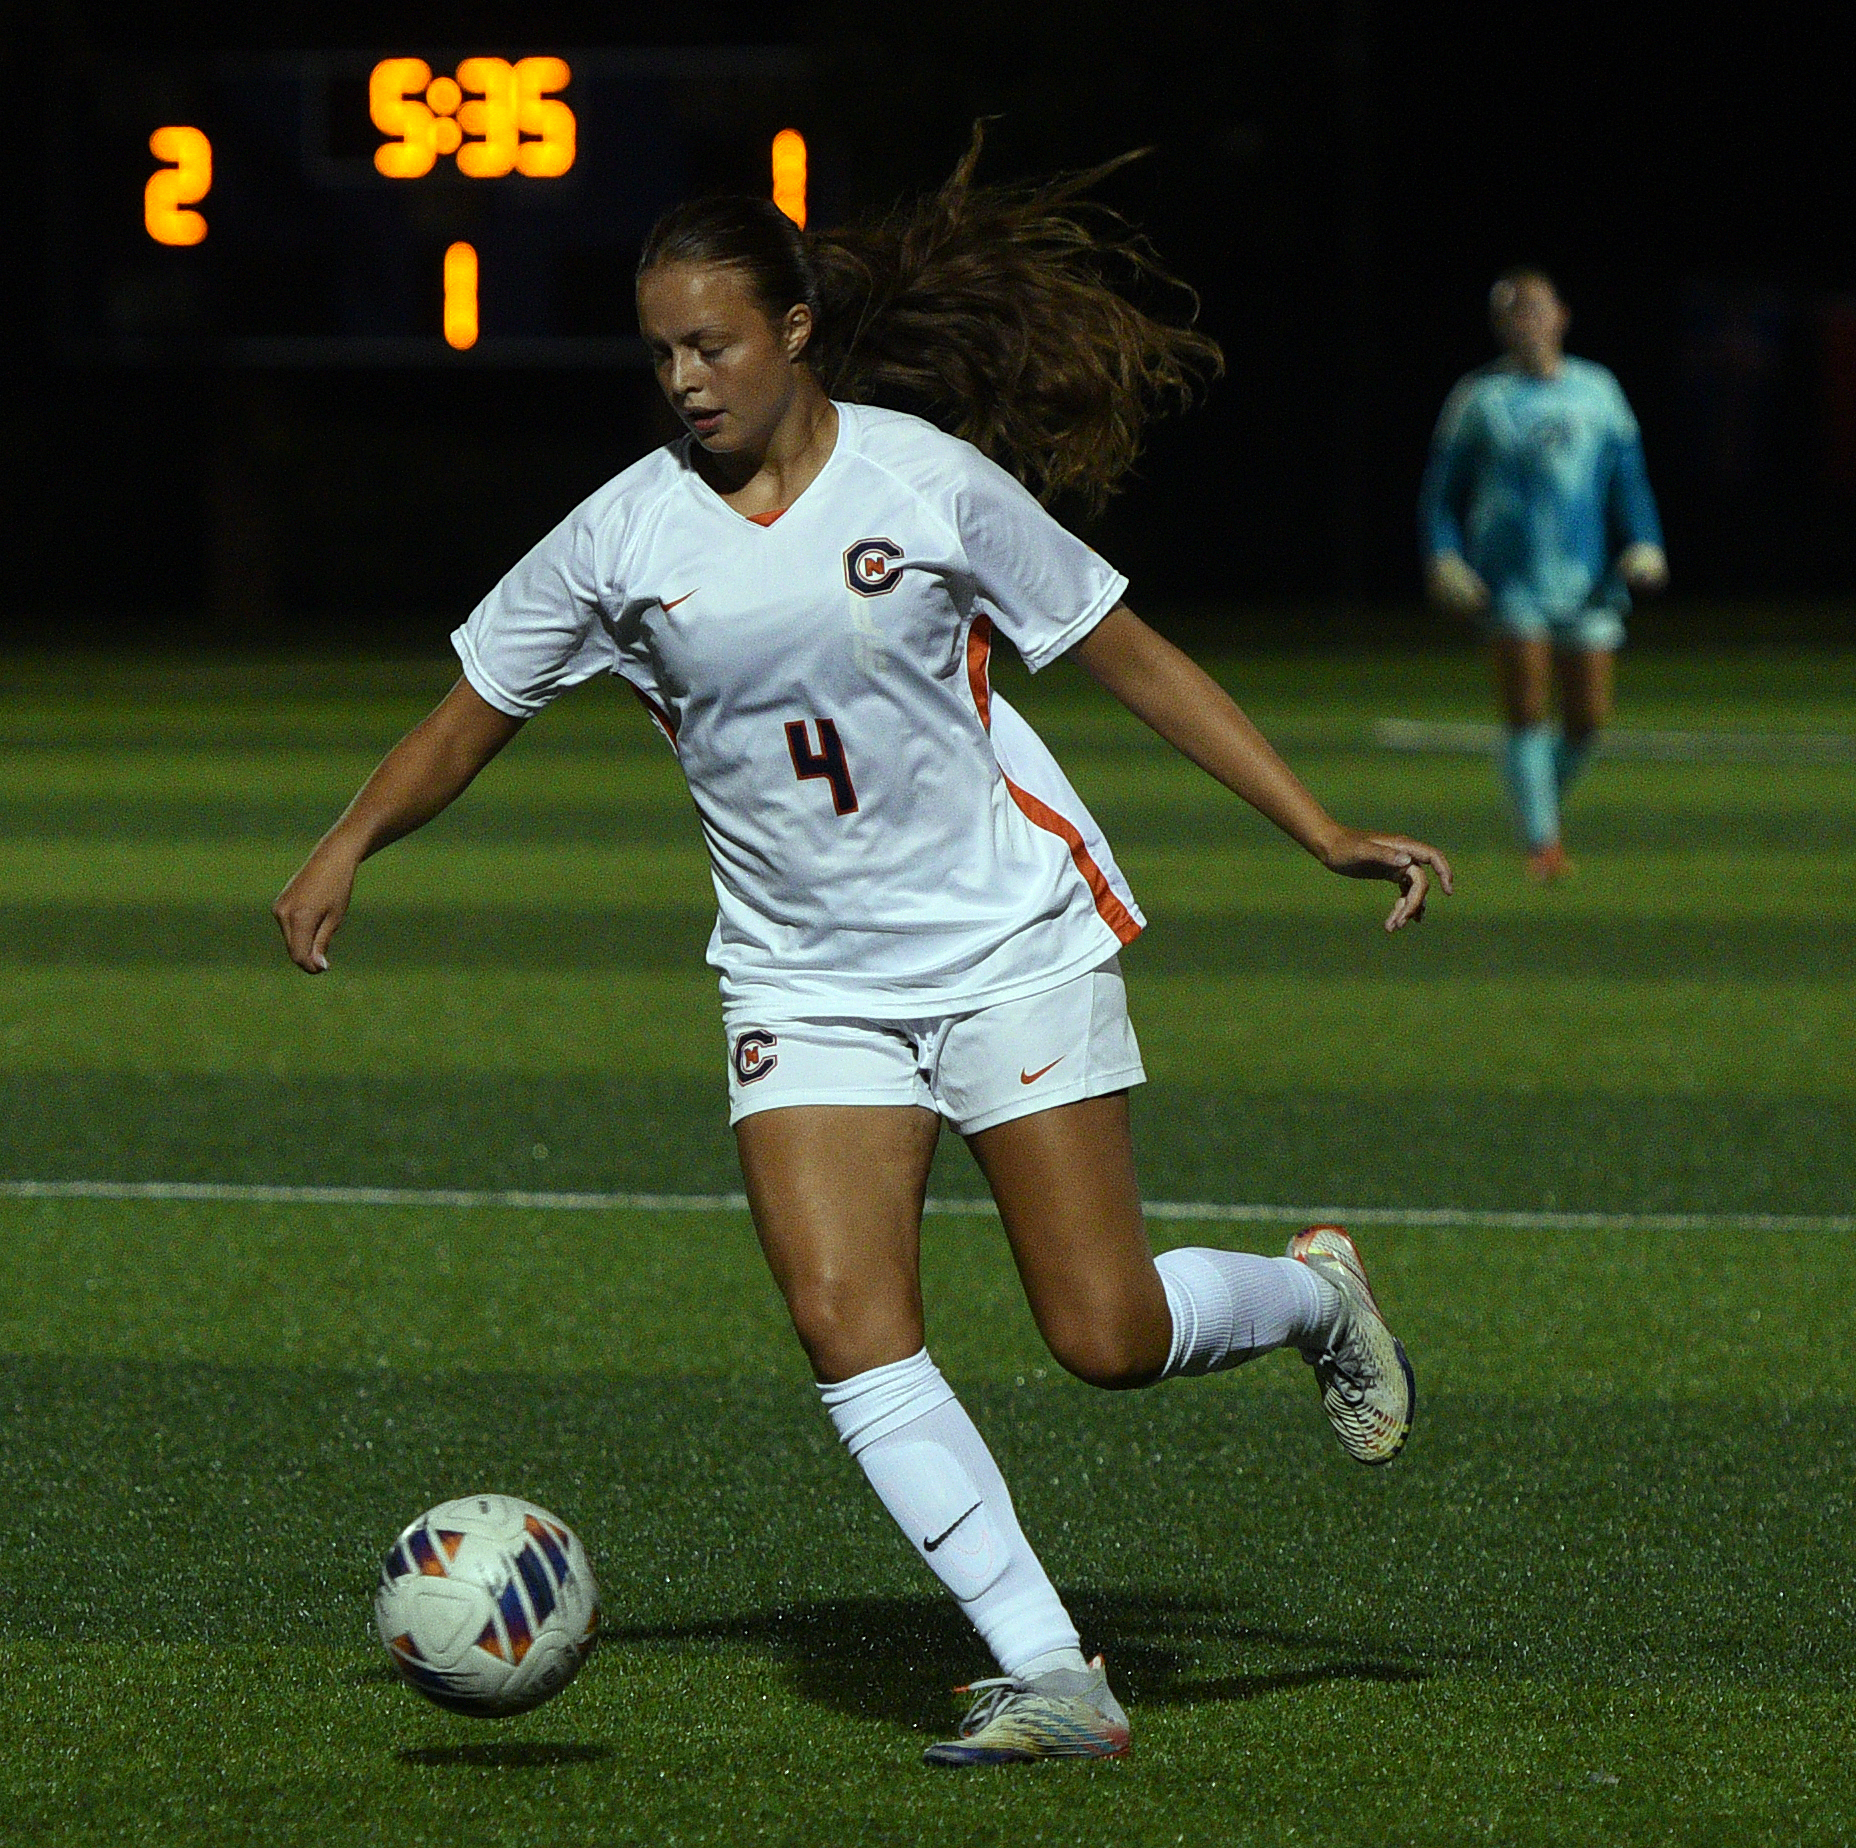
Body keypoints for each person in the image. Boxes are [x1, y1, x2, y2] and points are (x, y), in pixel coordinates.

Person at [274, 134, 1452, 1767]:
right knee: (845, 1314)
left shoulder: (926, 482)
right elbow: (469, 714)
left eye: (714, 344)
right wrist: (347, 840)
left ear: (798, 328)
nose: (684, 380)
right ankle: (1054, 1670)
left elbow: (1129, 655)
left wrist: (1314, 826)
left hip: (1001, 943)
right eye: (663, 352)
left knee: (1102, 1333)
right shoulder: (620, 535)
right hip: (801, 978)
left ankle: (1314, 1300)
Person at [1419, 268, 1666, 881]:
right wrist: (1444, 557)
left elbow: (1628, 477)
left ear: (1561, 315)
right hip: (1512, 581)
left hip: (1587, 582)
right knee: (1526, 709)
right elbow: (1439, 494)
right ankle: (1543, 844)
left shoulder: (1598, 390)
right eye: (1512, 312)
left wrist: (1645, 542)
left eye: (1536, 308)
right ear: (1500, 326)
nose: (1526, 321)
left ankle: (1535, 799)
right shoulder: (1479, 398)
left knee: (1588, 719)